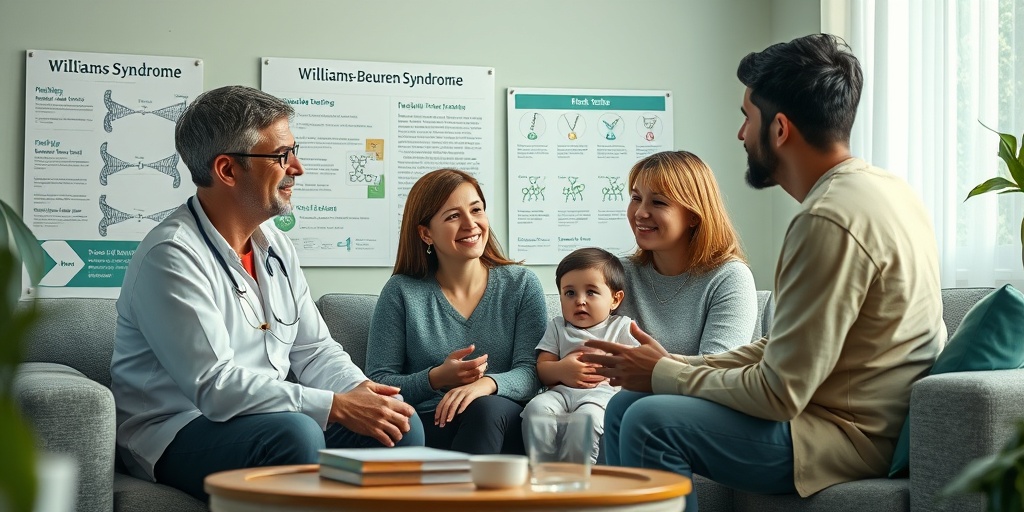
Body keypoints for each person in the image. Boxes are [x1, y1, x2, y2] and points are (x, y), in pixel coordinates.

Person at [583, 34, 946, 512]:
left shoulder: (827, 220)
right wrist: (672, 368)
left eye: (745, 118)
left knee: (652, 418)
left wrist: (667, 374)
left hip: (847, 435)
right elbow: (787, 349)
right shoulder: (887, 189)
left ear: (779, 129)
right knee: (627, 404)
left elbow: (780, 394)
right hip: (842, 414)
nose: (740, 135)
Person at [110, 85, 424, 500]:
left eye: (295, 150)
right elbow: (215, 386)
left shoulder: (273, 243)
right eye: (281, 155)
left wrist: (359, 392)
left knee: (400, 426)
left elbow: (315, 350)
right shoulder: (171, 255)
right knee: (295, 432)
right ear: (227, 170)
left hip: (269, 416)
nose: (298, 167)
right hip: (178, 430)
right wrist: (335, 406)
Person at [366, 169, 547, 455]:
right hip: (429, 423)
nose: (470, 224)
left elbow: (533, 373)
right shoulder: (401, 292)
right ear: (426, 233)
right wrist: (436, 378)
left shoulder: (521, 285)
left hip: (500, 420)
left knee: (485, 410)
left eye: (476, 210)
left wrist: (485, 385)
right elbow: (378, 382)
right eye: (453, 216)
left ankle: (460, 499)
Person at [617, 150, 757, 355]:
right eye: (636, 198)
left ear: (694, 215)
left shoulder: (729, 277)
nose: (640, 212)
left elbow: (715, 375)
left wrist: (657, 366)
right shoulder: (617, 273)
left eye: (658, 202)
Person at [521, 247, 639, 464]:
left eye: (591, 292)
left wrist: (612, 366)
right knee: (536, 409)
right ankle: (543, 468)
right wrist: (562, 370)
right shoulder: (558, 327)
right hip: (561, 393)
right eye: (570, 293)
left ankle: (574, 475)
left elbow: (636, 366)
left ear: (615, 299)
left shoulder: (622, 327)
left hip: (600, 396)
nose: (580, 300)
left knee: (585, 420)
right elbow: (543, 369)